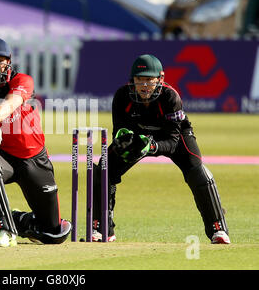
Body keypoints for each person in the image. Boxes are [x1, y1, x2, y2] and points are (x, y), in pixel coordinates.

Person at [92, 54, 230, 244]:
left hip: (175, 137)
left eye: (149, 79)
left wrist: (152, 146)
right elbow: (119, 132)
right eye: (140, 79)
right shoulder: (122, 96)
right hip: (138, 137)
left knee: (197, 172)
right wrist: (124, 142)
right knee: (105, 167)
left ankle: (218, 229)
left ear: (160, 79)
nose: (144, 85)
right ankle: (102, 229)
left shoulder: (170, 97)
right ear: (132, 80)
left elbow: (172, 142)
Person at [0, 37, 71, 247]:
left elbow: (12, 103)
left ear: (9, 61)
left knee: (53, 233)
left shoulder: (23, 80)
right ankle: (2, 228)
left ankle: (20, 219)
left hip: (36, 159)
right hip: (6, 160)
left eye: (0, 60)